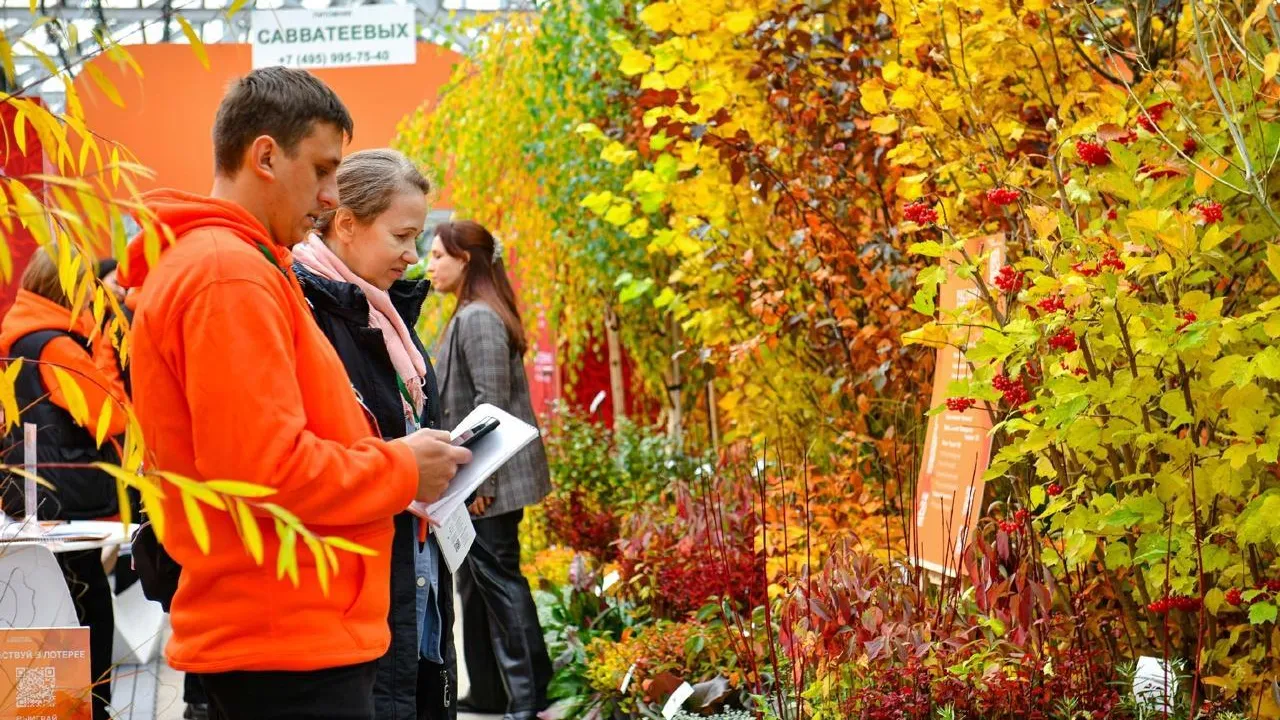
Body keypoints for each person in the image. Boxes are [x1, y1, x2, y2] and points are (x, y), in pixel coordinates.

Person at [117, 67, 471, 720]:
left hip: (286, 631)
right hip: (284, 641)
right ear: (266, 156)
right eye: (323, 170)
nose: (333, 195)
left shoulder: (240, 266)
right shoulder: (227, 276)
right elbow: (266, 473)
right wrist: (401, 466)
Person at [292, 148, 456, 720]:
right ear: (346, 224)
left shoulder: (384, 317)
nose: (412, 257)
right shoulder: (306, 316)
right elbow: (307, 463)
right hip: (356, 596)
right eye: (402, 237)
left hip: (414, 579)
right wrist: (404, 464)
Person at [427, 220, 553, 720]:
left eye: (438, 255)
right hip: (481, 480)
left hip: (490, 482)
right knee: (476, 586)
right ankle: (488, 693)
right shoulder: (471, 313)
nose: (429, 264)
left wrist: (480, 483)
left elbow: (491, 406)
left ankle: (528, 698)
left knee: (500, 583)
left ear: (466, 260)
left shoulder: (479, 318)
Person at [0, 247, 130, 720]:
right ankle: (89, 706)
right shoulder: (55, 343)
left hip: (38, 492)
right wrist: (102, 345)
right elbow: (109, 417)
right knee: (85, 596)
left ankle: (62, 705)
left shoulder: (21, 333)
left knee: (58, 599)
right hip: (69, 498)